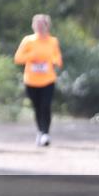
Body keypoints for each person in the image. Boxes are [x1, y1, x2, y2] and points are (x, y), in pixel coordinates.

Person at [13, 14, 63, 146]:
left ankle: (46, 133)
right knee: (37, 107)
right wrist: (32, 56)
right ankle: (40, 131)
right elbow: (18, 58)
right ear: (33, 26)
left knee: (46, 106)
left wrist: (52, 61)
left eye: (43, 25)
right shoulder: (28, 40)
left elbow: (58, 59)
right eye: (37, 25)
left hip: (48, 80)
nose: (40, 27)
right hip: (31, 80)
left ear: (47, 26)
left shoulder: (53, 41)